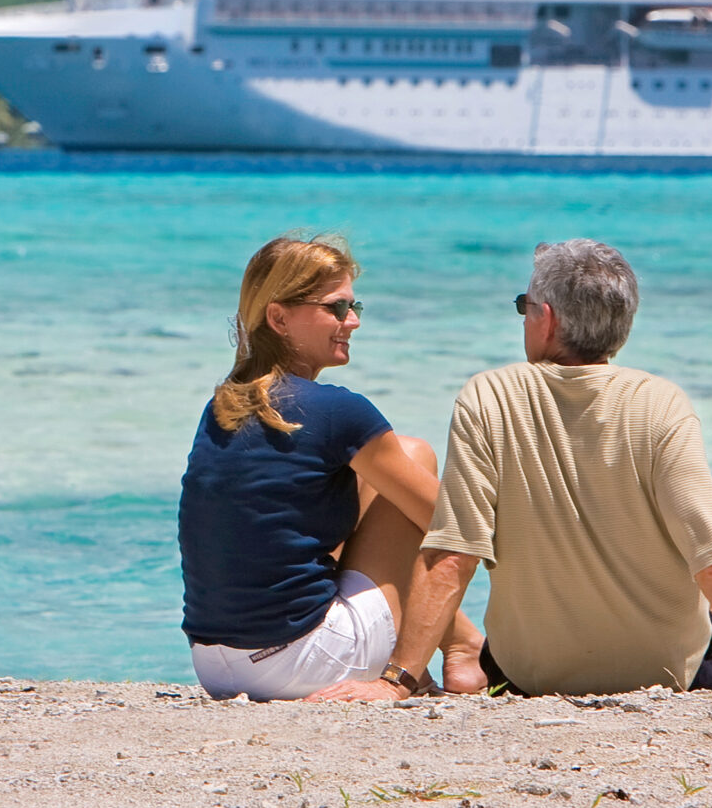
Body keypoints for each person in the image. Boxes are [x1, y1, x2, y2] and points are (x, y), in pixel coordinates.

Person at [312, 238, 712, 704]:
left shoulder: (489, 395)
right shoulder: (661, 402)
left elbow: (452, 554)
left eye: (523, 306)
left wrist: (399, 680)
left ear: (545, 319)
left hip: (527, 679)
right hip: (665, 679)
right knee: (706, 618)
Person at [179, 233, 486, 700]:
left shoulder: (225, 404)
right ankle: (440, 657)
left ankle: (462, 643)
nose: (354, 321)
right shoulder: (337, 411)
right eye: (337, 308)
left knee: (381, 465)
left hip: (213, 664)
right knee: (414, 457)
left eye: (354, 305)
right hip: (300, 661)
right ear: (279, 318)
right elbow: (457, 531)